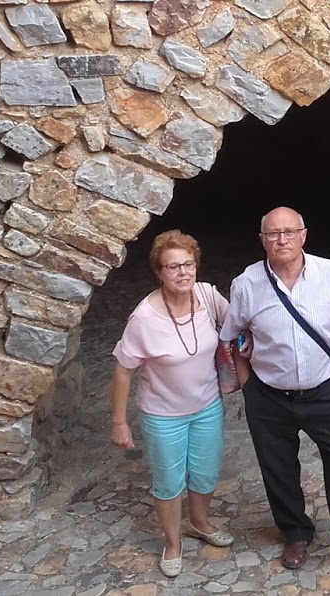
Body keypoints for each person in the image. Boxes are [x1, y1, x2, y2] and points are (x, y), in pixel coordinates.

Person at [221, 206, 330, 594]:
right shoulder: (247, 283)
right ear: (262, 240)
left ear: (304, 235)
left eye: (289, 232)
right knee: (277, 469)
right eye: (273, 234)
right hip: (269, 395)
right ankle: (295, 533)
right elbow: (234, 336)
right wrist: (249, 387)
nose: (282, 240)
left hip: (326, 390)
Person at [110, 230, 235, 578]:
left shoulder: (208, 296)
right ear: (159, 272)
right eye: (173, 266)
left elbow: (238, 324)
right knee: (168, 481)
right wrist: (119, 422)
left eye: (188, 264)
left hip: (207, 405)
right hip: (163, 414)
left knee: (206, 471)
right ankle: (173, 542)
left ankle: (199, 522)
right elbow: (123, 370)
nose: (183, 272)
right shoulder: (144, 319)